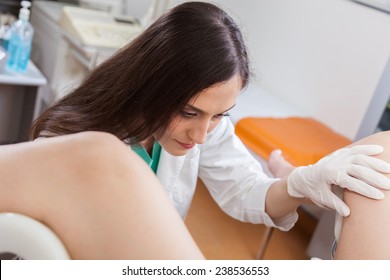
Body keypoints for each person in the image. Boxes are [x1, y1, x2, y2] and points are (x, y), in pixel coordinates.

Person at [1, 1, 389, 259]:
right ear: (151, 85)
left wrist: (299, 183)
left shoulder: (207, 129)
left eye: (220, 115)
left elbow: (244, 191)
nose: (203, 134)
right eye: (190, 112)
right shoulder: (77, 141)